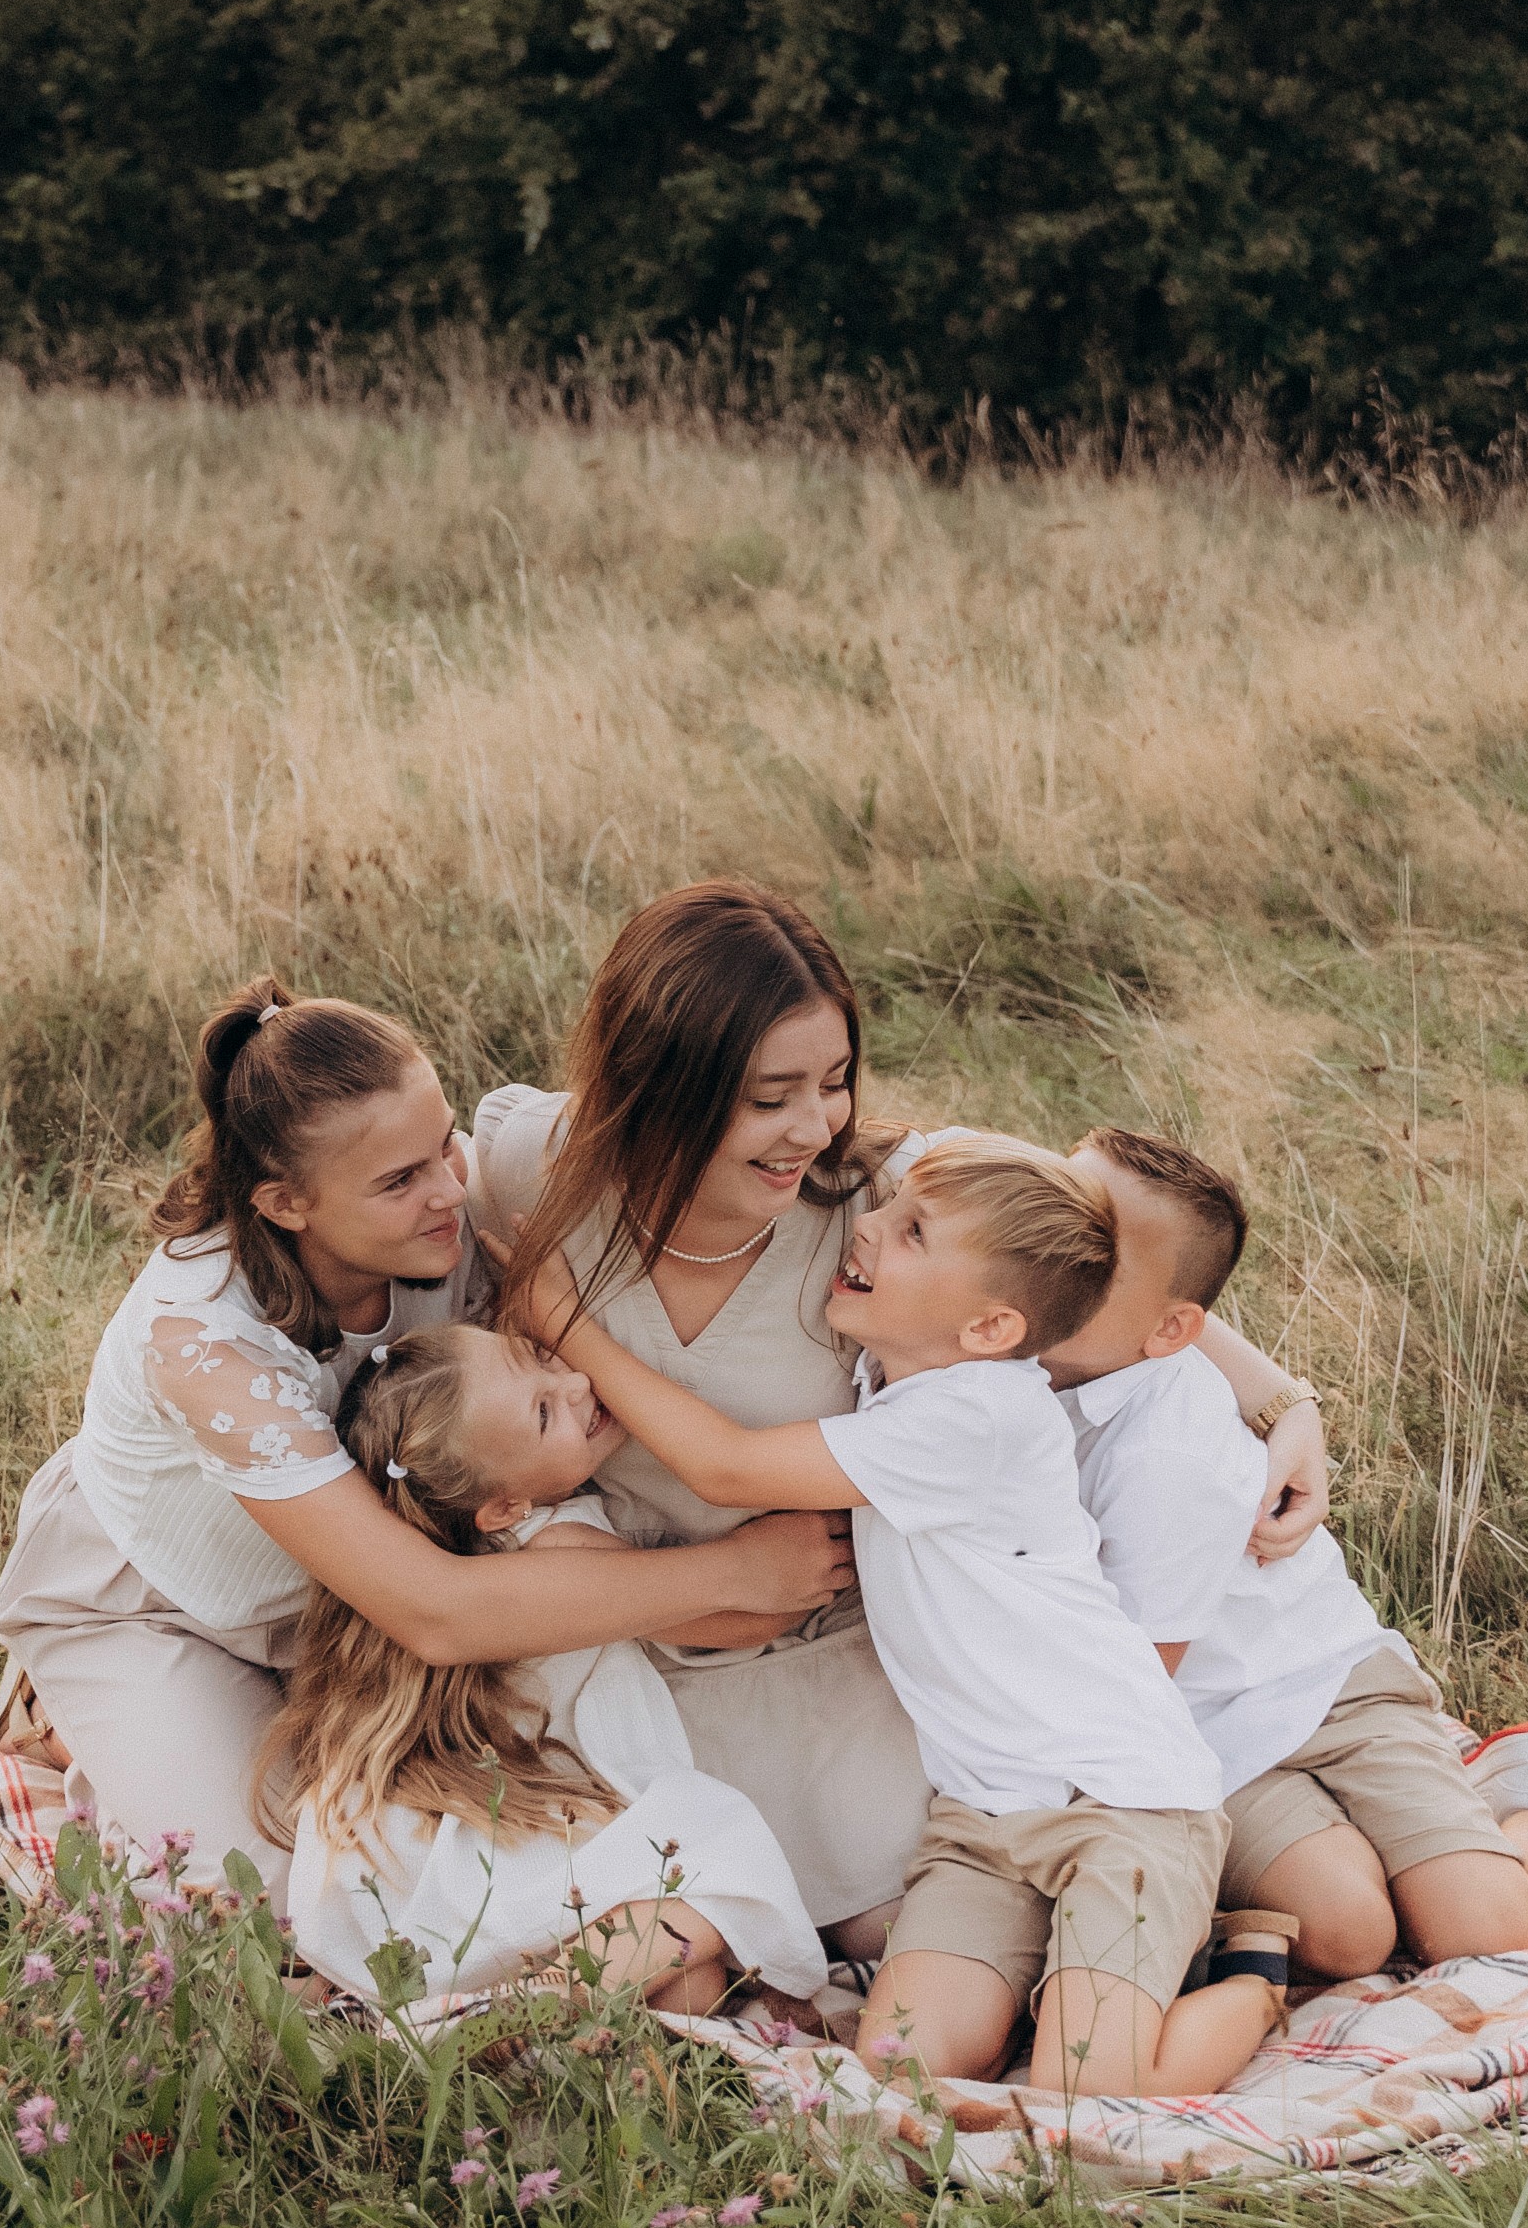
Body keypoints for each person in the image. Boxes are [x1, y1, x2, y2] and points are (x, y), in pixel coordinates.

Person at [463, 878, 1343, 1939]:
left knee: (926, 1927)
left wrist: (1280, 1396)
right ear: (662, 1085)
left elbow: (1100, 1266)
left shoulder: (885, 1201)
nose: (813, 1124)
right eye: (770, 1095)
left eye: (833, 1081)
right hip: (626, 1628)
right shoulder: (538, 1176)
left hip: (837, 1642)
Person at [0, 977, 856, 1915]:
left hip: (358, 1617)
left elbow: (653, 1125)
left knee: (510, 1855)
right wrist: (735, 1573)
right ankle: (63, 1707)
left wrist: (859, 1151)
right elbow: (436, 1610)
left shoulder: (454, 1206)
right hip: (163, 1599)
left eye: (443, 1144)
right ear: (284, 1202)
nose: (449, 1190)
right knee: (274, 1905)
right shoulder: (201, 1337)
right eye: (400, 1181)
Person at [551, 1136, 1255, 2103]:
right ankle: (1101, 1979)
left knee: (1088, 2083)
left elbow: (723, 1466)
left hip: (1122, 1802)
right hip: (983, 1817)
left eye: (911, 1231)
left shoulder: (979, 1419)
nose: (868, 1226)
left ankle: (1257, 1978)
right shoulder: (902, 1379)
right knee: (897, 2066)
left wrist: (563, 1320)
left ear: (990, 1328)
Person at [1047, 1126, 1528, 1984]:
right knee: (1346, 1935)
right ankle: (1382, 1843)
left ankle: (1527, 1798)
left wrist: (1289, 1404)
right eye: (1054, 1217)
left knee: (1491, 1930)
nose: (1057, 1253)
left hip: (1327, 1677)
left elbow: (1135, 1671)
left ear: (1171, 1326)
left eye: (1098, 1258)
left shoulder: (1167, 1434)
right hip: (1206, 1732)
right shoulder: (993, 1341)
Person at [257, 1325, 833, 2017]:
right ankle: (522, 2011)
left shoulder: (442, 1565)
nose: (577, 1385)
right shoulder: (560, 1547)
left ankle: (519, 2027)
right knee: (715, 1882)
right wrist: (801, 1554)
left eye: (540, 1360)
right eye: (543, 1413)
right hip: (505, 1856)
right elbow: (736, 1617)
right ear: (504, 1507)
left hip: (429, 1865)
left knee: (692, 1983)